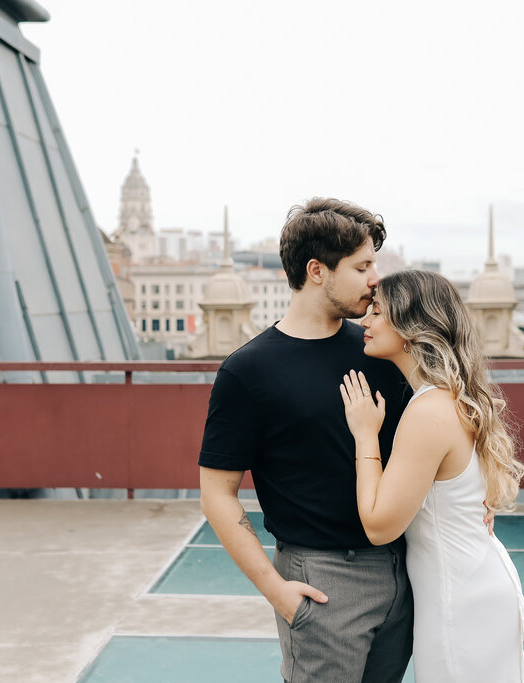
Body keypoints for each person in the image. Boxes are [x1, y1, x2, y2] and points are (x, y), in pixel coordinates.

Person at [198, 198, 414, 683]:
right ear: (317, 271)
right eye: (362, 266)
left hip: (402, 570)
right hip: (321, 583)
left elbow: (429, 435)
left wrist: (478, 494)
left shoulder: (380, 350)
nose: (375, 278)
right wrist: (275, 589)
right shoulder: (247, 371)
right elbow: (216, 492)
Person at [340, 268, 524, 682]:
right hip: (473, 585)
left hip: (460, 600)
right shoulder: (450, 398)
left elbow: (378, 525)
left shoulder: (429, 410)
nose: (365, 322)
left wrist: (366, 436)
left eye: (377, 311)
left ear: (411, 328)